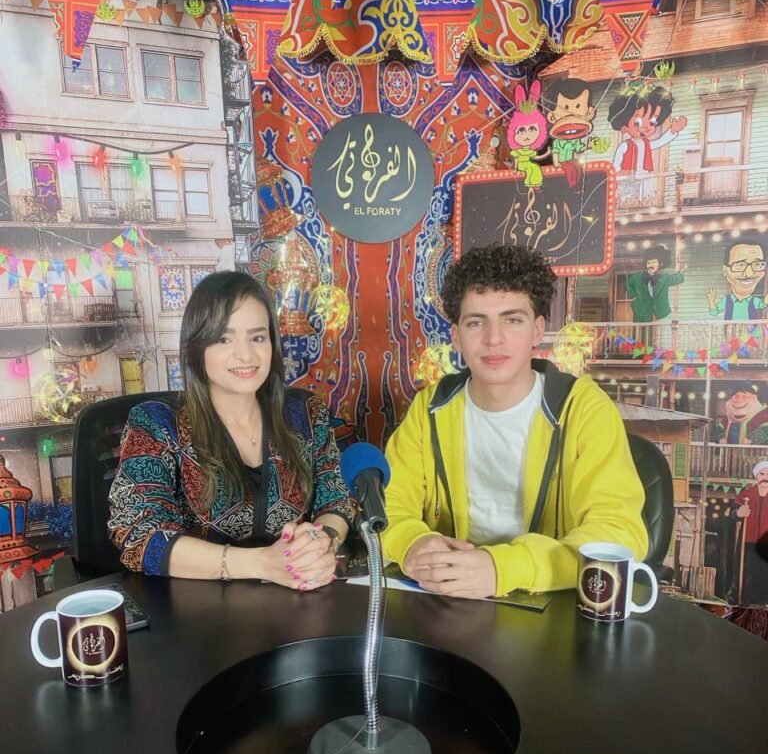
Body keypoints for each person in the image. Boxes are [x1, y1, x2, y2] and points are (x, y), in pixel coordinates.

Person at [381, 244, 648, 599]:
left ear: (537, 330)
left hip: (548, 602)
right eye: (476, 322)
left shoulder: (583, 409)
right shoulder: (430, 408)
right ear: (456, 336)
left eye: (512, 320)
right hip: (449, 596)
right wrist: (413, 542)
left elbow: (619, 531)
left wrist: (503, 568)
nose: (494, 339)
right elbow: (389, 504)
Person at [108, 271, 354, 587]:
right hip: (194, 607)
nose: (246, 355)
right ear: (196, 347)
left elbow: (336, 500)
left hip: (296, 598)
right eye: (223, 339)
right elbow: (139, 535)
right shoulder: (156, 424)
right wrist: (263, 564)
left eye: (257, 337)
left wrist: (322, 544)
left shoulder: (305, 414)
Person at [608, 84, 687, 175]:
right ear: (624, 128)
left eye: (652, 122)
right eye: (638, 122)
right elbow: (616, 166)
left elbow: (660, 142)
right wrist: (621, 173)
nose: (646, 127)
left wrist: (673, 130)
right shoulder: (625, 145)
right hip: (627, 179)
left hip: (644, 176)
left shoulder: (646, 144)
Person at [732, 460, 768, 606]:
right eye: (762, 474)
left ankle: (764, 603)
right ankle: (744, 601)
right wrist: (738, 513)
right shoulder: (746, 494)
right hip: (748, 542)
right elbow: (732, 514)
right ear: (756, 476)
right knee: (747, 572)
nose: (765, 477)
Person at [707, 239, 768, 321]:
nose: (749, 274)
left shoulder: (753, 300)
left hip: (751, 329)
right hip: (731, 329)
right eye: (740, 265)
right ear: (725, 270)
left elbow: (763, 304)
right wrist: (711, 301)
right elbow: (714, 312)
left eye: (757, 264)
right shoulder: (727, 300)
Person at [625, 245, 685, 324]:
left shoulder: (664, 278)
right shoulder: (638, 276)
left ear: (660, 264)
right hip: (640, 308)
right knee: (636, 328)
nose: (650, 265)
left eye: (653, 262)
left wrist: (681, 273)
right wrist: (633, 295)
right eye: (648, 263)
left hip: (654, 310)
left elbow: (675, 278)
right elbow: (627, 283)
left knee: (650, 328)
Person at [716, 381, 768, 446]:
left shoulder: (762, 414)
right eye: (736, 396)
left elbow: (766, 428)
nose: (739, 400)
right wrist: (722, 437)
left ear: (755, 397)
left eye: (744, 396)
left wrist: (752, 438)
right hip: (731, 449)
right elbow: (720, 427)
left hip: (752, 451)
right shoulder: (729, 418)